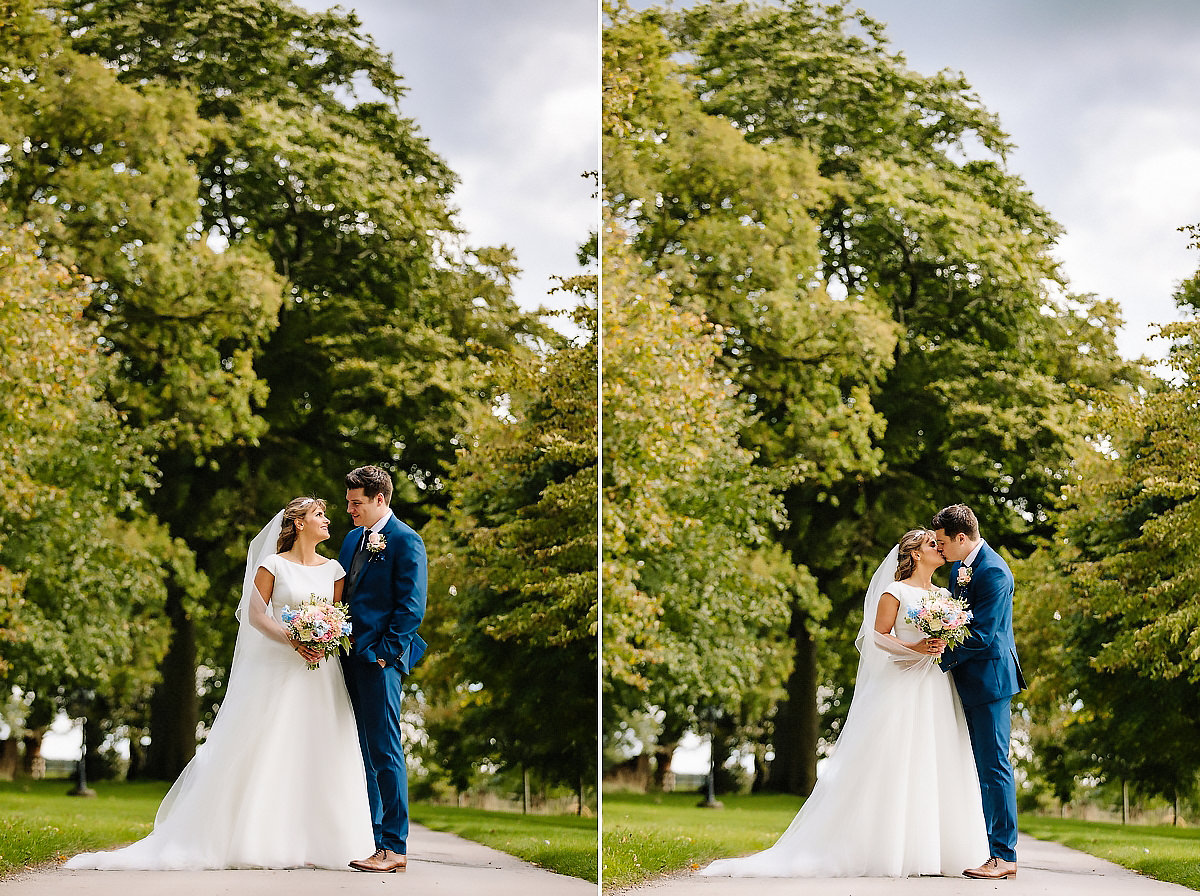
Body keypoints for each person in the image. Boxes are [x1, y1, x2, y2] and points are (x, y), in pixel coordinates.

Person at [65, 497, 374, 870]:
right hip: (276, 667)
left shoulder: (335, 571)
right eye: (319, 515)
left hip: (319, 675)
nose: (328, 520)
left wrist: (320, 642)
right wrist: (293, 638)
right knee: (268, 748)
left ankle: (322, 842)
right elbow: (255, 615)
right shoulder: (273, 564)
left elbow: (337, 617)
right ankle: (260, 840)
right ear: (298, 523)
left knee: (319, 748)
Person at [700, 528, 987, 879]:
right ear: (914, 554)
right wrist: (916, 648)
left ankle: (932, 850)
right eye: (932, 544)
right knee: (893, 762)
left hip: (936, 686)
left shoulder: (944, 595)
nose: (939, 548)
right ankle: (887, 849)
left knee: (934, 758)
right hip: (900, 686)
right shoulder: (894, 592)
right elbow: (877, 639)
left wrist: (943, 643)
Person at [339, 465, 428, 874]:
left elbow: (412, 607)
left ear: (380, 499)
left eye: (357, 503)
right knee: (363, 752)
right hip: (344, 658)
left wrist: (384, 654)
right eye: (348, 503)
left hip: (380, 662)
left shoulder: (407, 541)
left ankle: (394, 846)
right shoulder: (351, 540)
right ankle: (374, 841)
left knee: (386, 750)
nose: (350, 510)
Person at [932, 503, 1026, 881]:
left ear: (960, 538)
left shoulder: (995, 573)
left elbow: (984, 635)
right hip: (968, 677)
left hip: (990, 680)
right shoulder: (960, 566)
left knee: (994, 767)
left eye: (942, 542)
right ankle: (989, 849)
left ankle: (1004, 856)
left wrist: (937, 655)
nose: (939, 549)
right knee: (979, 768)